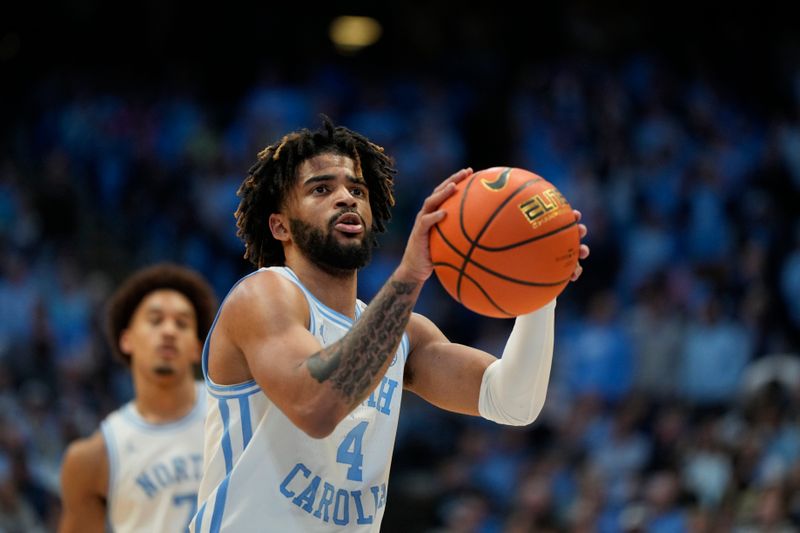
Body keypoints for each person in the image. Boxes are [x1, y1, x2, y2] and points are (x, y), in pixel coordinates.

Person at [191, 118, 589, 532]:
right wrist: (411, 275)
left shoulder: (403, 334)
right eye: (321, 189)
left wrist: (541, 288)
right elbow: (316, 405)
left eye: (357, 190)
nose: (346, 198)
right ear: (280, 226)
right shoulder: (263, 296)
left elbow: (512, 402)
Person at [59, 264, 217, 533]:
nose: (169, 331)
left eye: (182, 323)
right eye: (155, 320)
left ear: (196, 347)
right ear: (126, 340)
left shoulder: (235, 411)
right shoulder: (94, 457)